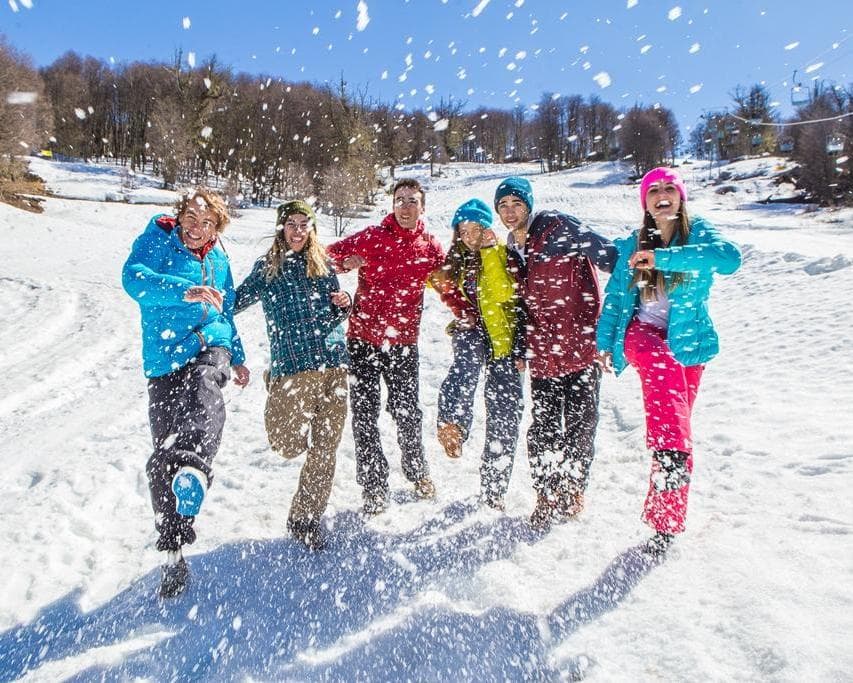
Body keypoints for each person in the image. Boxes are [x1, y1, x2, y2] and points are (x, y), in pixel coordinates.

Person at [597, 167, 741, 555]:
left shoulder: (699, 235)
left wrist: (662, 257)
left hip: (688, 341)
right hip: (642, 335)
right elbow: (615, 297)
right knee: (672, 433)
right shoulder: (633, 243)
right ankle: (671, 457)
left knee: (676, 423)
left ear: (680, 197)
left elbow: (729, 260)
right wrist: (604, 341)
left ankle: (665, 525)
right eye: (653, 190)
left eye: (669, 189)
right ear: (644, 201)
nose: (662, 195)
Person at [122, 188, 250, 598]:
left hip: (209, 343)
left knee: (205, 386)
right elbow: (133, 278)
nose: (197, 228)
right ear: (179, 217)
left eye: (207, 222)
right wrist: (183, 289)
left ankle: (194, 464)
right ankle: (173, 548)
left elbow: (226, 310)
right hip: (163, 356)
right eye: (191, 219)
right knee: (163, 455)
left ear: (218, 227)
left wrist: (239, 354)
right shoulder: (159, 238)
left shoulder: (219, 258)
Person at [495, 176, 616, 530]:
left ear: (528, 206)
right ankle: (547, 493)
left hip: (580, 348)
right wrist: (521, 345)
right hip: (543, 353)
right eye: (503, 206)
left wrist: (610, 330)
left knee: (580, 424)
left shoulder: (557, 227)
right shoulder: (512, 249)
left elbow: (609, 255)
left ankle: (573, 488)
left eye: (516, 204)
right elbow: (521, 306)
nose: (510, 211)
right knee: (544, 428)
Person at [234, 200, 350, 551]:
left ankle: (306, 518)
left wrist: (346, 302)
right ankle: (277, 396)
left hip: (334, 365)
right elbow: (233, 303)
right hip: (292, 367)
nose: (298, 231)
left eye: (305, 224)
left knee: (325, 449)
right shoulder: (268, 268)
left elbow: (336, 310)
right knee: (285, 444)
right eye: (292, 224)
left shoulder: (323, 263)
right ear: (281, 228)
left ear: (311, 229)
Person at [327, 179, 445, 515]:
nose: (405, 206)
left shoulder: (430, 247)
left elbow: (451, 283)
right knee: (365, 415)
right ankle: (374, 486)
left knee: (407, 412)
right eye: (400, 200)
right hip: (363, 339)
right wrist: (344, 264)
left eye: (412, 200)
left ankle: (417, 470)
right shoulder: (372, 237)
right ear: (392, 205)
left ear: (422, 206)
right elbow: (326, 257)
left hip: (404, 343)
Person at [431, 198, 523, 511]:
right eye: (463, 230)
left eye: (475, 228)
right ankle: (452, 425)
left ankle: (494, 490)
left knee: (504, 414)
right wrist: (460, 312)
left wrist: (489, 252)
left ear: (487, 227)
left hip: (503, 340)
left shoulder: (501, 253)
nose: (469, 235)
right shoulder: (455, 260)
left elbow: (502, 293)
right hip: (472, 333)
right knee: (465, 366)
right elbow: (443, 287)